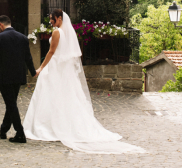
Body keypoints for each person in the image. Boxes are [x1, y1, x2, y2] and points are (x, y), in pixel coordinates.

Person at [23, 9, 145, 154]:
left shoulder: (57, 32)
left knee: (52, 95)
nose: (51, 21)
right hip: (63, 69)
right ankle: (65, 124)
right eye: (50, 19)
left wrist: (41, 68)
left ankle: (51, 126)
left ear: (60, 19)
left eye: (52, 19)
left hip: (55, 68)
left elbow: (51, 52)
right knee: (66, 96)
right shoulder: (68, 33)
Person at [0, 15, 37, 143]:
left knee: (11, 104)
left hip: (4, 77)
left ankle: (20, 133)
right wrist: (33, 72)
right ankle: (3, 130)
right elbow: (28, 57)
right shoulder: (23, 38)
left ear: (1, 26)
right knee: (11, 104)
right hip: (18, 76)